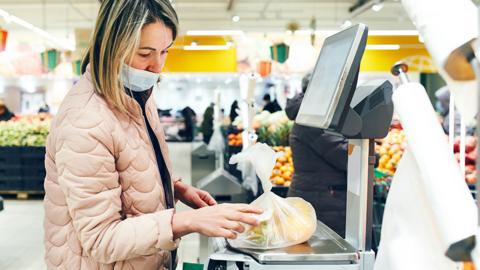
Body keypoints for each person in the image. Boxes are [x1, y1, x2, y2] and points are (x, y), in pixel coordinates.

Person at [43, 1, 262, 269]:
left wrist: (174, 187)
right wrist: (185, 222)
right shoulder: (84, 120)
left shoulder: (137, 97)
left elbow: (129, 165)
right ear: (112, 46)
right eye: (145, 53)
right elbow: (101, 239)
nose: (157, 66)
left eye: (164, 52)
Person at [285, 73, 349, 237]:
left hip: (320, 195)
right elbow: (342, 154)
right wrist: (369, 152)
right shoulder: (313, 118)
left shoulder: (312, 114)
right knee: (326, 251)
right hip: (323, 200)